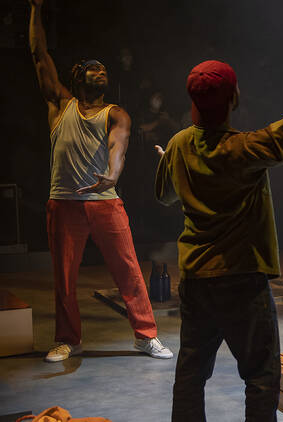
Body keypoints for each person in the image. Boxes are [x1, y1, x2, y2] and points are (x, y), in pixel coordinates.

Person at [153, 12, 283, 421]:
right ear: (234, 99)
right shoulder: (245, 149)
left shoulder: (179, 145)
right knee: (260, 376)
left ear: (192, 103)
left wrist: (171, 163)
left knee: (190, 373)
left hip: (197, 280)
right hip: (242, 279)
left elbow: (167, 198)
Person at [28, 0, 172, 363]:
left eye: (104, 69)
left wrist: (113, 173)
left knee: (129, 270)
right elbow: (38, 53)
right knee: (64, 278)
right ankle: (68, 339)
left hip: (105, 201)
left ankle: (145, 335)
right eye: (94, 69)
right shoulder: (60, 105)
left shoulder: (115, 112)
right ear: (78, 77)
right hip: (64, 202)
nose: (101, 71)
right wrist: (35, 9)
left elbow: (118, 145)